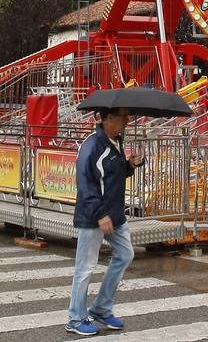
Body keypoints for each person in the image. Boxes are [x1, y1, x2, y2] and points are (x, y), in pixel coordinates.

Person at [66, 107, 144, 336]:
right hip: (94, 217)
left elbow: (112, 174)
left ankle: (101, 308)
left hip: (114, 215)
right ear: (109, 118)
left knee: (125, 254)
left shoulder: (115, 141)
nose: (127, 120)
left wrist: (130, 165)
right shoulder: (92, 146)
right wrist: (100, 214)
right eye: (123, 116)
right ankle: (75, 318)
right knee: (85, 267)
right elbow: (86, 184)